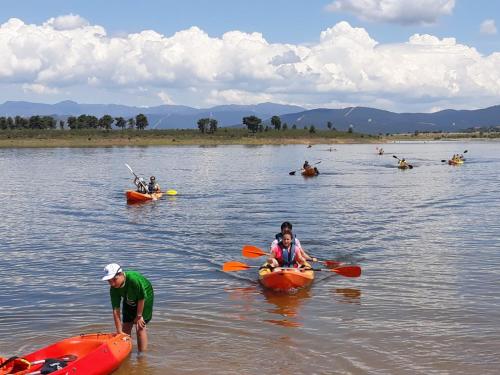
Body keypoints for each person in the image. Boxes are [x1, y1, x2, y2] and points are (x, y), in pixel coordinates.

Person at [102, 263, 154, 352]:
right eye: (109, 281)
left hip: (145, 296)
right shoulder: (113, 289)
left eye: (114, 279)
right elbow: (116, 310)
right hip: (128, 297)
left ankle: (141, 356)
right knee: (125, 326)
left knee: (139, 326)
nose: (112, 284)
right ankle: (127, 352)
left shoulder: (134, 280)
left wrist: (139, 316)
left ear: (121, 274)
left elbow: (141, 298)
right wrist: (119, 331)